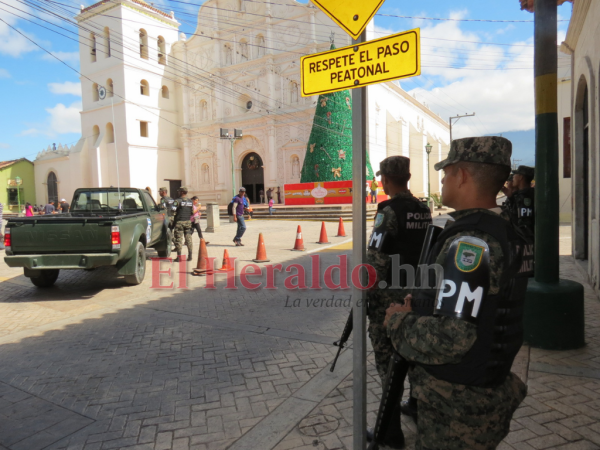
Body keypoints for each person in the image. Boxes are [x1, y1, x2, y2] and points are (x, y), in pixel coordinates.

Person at [385, 136, 529, 450]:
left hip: (457, 405)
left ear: (461, 175)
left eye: (446, 172)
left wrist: (398, 321)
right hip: (481, 390)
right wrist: (421, 306)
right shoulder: (505, 229)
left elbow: (452, 337)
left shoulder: (472, 241)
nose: (443, 179)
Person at [365, 156, 432, 449]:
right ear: (407, 176)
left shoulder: (387, 211)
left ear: (386, 180)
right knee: (416, 355)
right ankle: (416, 406)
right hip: (417, 294)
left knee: (387, 365)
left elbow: (376, 260)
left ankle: (390, 434)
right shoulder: (423, 209)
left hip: (389, 299)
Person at [502, 165, 535, 242]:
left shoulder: (525, 197)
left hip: (523, 242)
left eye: (515, 175)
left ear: (520, 177)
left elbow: (524, 225)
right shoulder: (520, 195)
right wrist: (510, 197)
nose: (513, 178)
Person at [172, 187, 194, 262]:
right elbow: (192, 212)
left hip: (179, 222)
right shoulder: (190, 201)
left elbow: (173, 211)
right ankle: (190, 256)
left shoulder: (177, 201)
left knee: (179, 239)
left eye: (179, 191)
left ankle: (179, 257)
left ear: (182, 192)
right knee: (189, 239)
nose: (178, 192)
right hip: (188, 222)